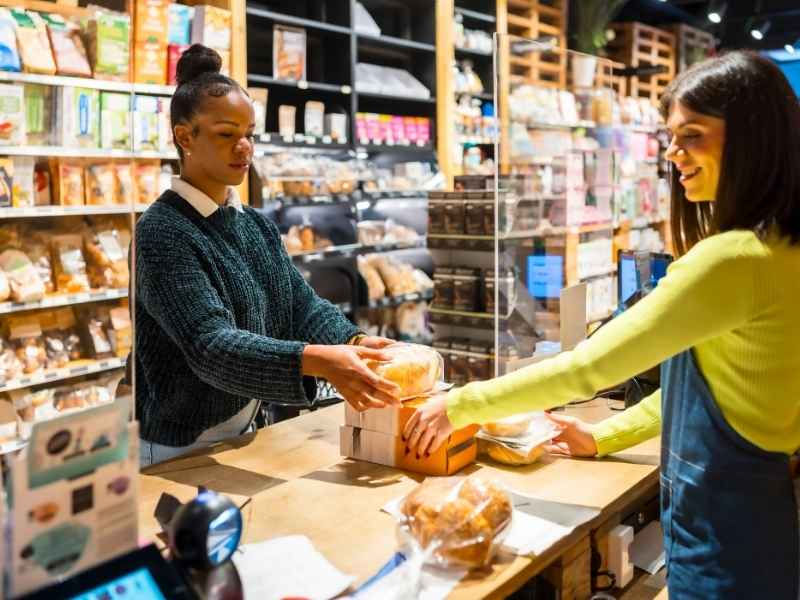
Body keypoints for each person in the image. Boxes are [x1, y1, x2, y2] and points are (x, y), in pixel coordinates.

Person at [405, 51, 800, 599]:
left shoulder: (731, 261)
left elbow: (588, 369)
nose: (673, 153)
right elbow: (710, 395)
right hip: (763, 526)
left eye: (692, 136)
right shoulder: (779, 249)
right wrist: (601, 436)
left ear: (753, 139)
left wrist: (457, 404)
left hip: (723, 544)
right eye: (670, 137)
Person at [134, 44, 399, 467]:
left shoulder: (254, 224)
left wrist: (355, 342)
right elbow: (209, 345)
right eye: (226, 135)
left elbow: (299, 306)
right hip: (176, 448)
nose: (244, 147)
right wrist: (317, 361)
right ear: (185, 137)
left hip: (247, 429)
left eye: (250, 134)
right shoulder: (162, 232)